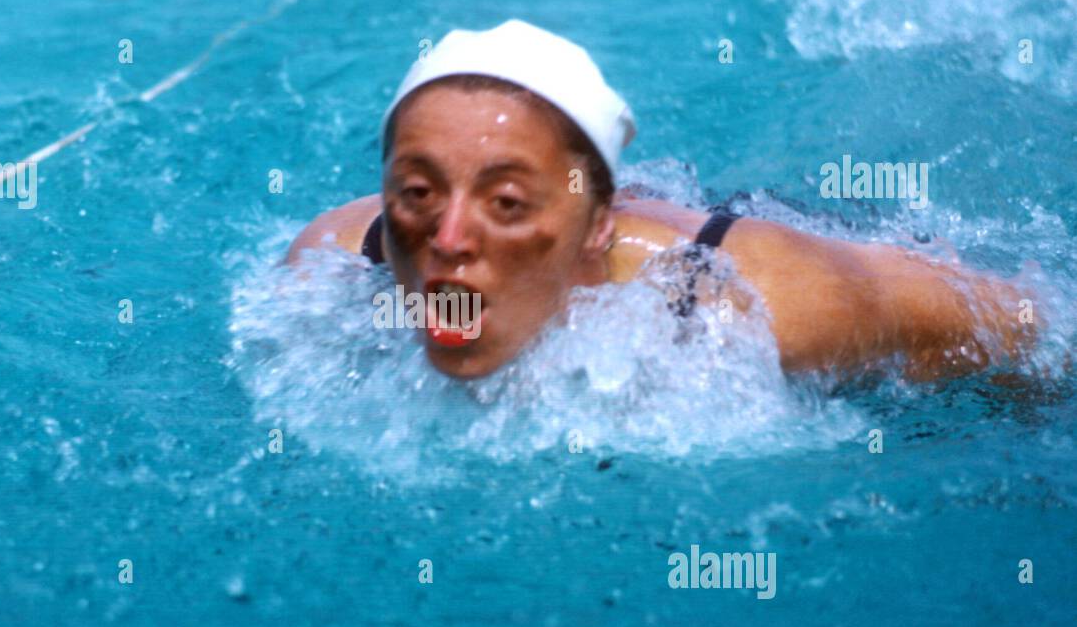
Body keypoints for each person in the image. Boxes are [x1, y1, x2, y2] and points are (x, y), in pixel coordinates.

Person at [286, 19, 1032, 381]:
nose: (448, 238)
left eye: (506, 203)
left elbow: (1029, 326)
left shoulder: (760, 299)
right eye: (416, 192)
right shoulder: (330, 271)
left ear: (595, 222)